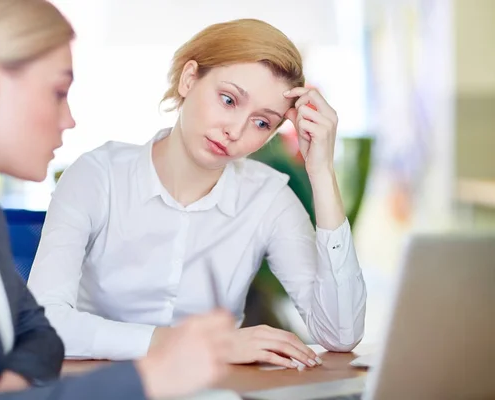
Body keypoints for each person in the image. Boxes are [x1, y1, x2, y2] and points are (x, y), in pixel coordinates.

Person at [0, 0, 233, 399]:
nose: (69, 118)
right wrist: (150, 379)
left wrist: (10, 389)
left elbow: (38, 332)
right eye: (58, 92)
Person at [27, 18, 367, 369]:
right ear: (189, 79)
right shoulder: (98, 177)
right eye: (228, 99)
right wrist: (202, 346)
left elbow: (340, 334)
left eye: (262, 122)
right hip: (101, 385)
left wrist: (322, 172)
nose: (235, 130)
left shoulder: (268, 198)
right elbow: (44, 323)